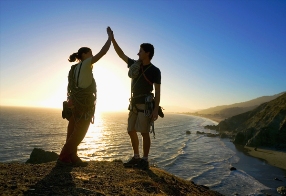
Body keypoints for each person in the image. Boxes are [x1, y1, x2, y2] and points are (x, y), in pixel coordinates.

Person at [57, 27, 113, 167]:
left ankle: (73, 157)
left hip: (75, 102)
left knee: (73, 130)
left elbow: (71, 86)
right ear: (84, 54)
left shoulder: (73, 68)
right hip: (84, 103)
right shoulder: (87, 63)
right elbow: (103, 52)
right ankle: (64, 156)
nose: (92, 55)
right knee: (80, 132)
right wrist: (109, 38)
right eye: (90, 53)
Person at [111, 28, 161, 170]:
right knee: (130, 130)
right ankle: (136, 157)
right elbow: (121, 54)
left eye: (140, 51)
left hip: (145, 105)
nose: (137, 53)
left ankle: (144, 160)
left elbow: (157, 91)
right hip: (133, 104)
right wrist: (113, 39)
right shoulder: (134, 65)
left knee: (144, 132)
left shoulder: (155, 70)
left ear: (147, 53)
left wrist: (156, 109)